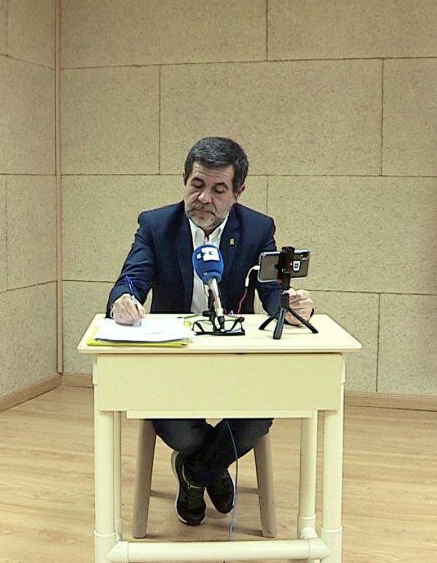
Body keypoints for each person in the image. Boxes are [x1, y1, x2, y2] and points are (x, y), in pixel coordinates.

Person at [107, 136, 315, 527]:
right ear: (185, 182)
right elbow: (132, 279)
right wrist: (123, 300)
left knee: (256, 420)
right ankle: (211, 467)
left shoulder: (256, 229)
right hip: (174, 362)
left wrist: (290, 307)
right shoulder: (156, 225)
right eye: (196, 185)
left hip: (236, 359)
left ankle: (194, 473)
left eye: (218, 189)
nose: (204, 198)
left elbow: (272, 291)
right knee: (182, 434)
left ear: (238, 192)